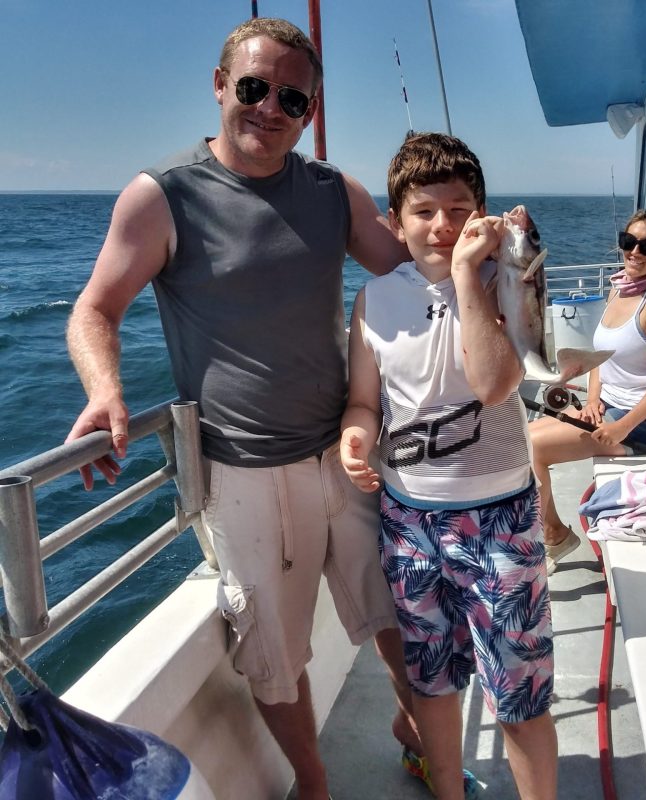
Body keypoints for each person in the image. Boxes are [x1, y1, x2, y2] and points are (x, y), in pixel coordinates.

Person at [65, 17, 423, 800]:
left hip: (349, 453)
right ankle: (315, 784)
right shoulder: (162, 197)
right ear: (220, 84)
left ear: (311, 111)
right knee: (274, 657)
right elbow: (95, 309)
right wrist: (104, 390)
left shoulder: (333, 193)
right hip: (242, 475)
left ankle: (415, 726)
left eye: (292, 98)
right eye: (255, 87)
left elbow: (409, 270)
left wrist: (480, 243)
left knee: (400, 615)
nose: (270, 108)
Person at [341, 132, 558, 800]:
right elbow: (365, 400)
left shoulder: (506, 278)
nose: (442, 224)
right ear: (394, 223)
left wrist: (467, 274)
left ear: (482, 215)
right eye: (424, 211)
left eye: (460, 209)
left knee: (519, 694)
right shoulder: (374, 301)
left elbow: (494, 384)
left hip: (501, 520)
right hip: (410, 522)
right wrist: (355, 436)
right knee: (430, 682)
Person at [529, 209, 646, 574]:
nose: (634, 252)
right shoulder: (618, 288)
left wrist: (622, 427)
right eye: (628, 242)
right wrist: (593, 399)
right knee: (522, 436)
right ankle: (552, 531)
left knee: (532, 446)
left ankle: (552, 535)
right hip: (609, 406)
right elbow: (601, 357)